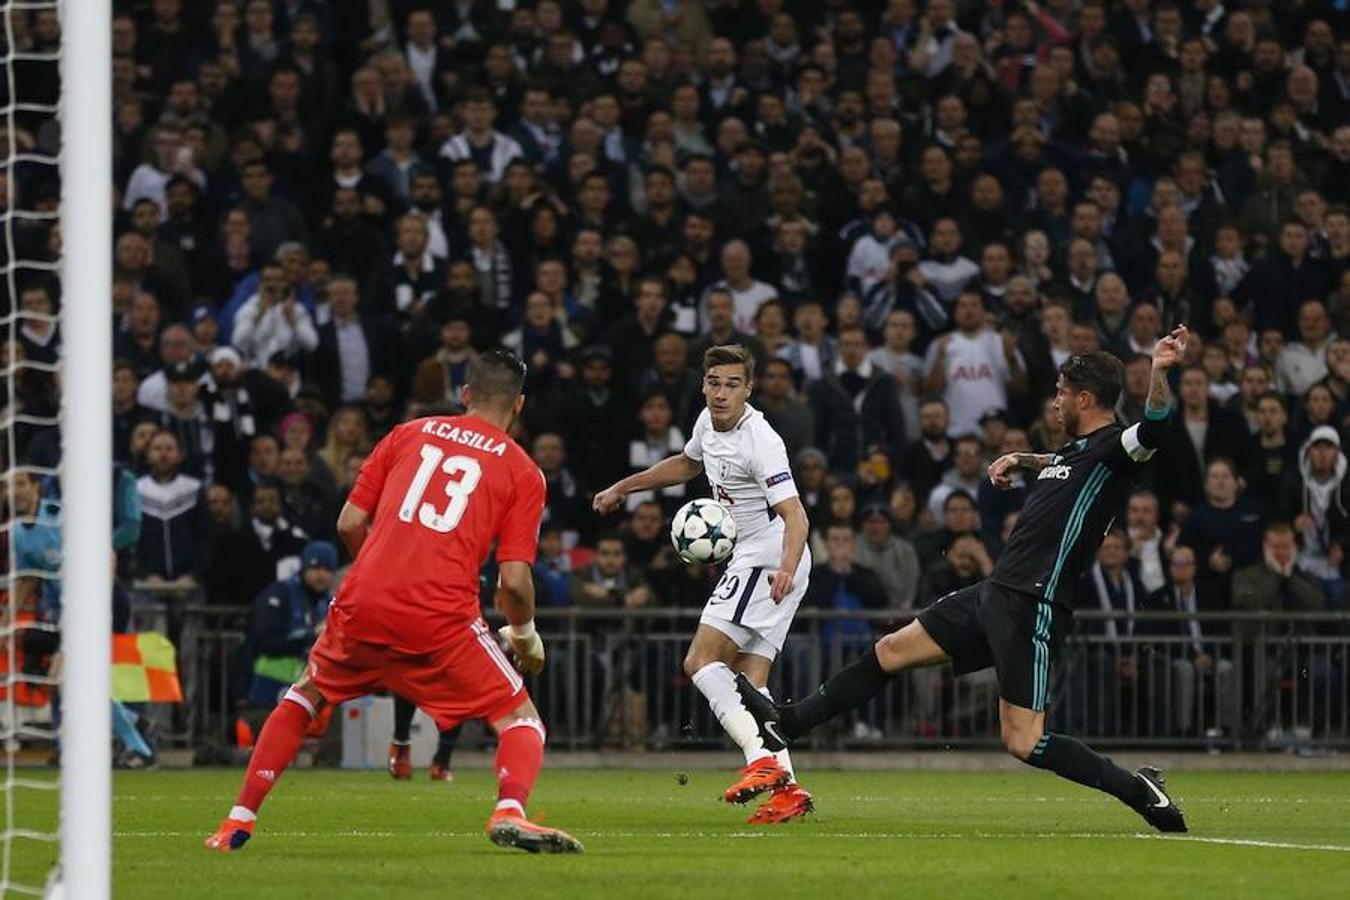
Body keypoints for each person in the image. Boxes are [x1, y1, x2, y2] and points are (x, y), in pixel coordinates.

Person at [736, 328, 1193, 834]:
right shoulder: (1076, 453)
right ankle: (790, 722)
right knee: (891, 650)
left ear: (1085, 397)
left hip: (1034, 606)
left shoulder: (1116, 448)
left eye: (1062, 392)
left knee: (1023, 741)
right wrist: (1024, 458)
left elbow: (1154, 429)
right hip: (996, 593)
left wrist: (1159, 371)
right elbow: (1064, 463)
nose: (1055, 402)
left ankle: (1138, 789)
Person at [205, 350, 582, 854]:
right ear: (518, 405)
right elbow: (513, 581)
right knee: (520, 719)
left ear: (464, 395)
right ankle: (509, 810)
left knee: (305, 694)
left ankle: (237, 821)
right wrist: (525, 636)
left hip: (364, 599)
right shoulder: (523, 471)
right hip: (441, 614)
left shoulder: (407, 433)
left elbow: (347, 523)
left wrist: (386, 573)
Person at [592, 344, 814, 824]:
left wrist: (786, 568)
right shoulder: (705, 423)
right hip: (764, 559)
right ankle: (788, 790)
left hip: (770, 555)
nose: (721, 393)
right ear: (704, 384)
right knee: (751, 683)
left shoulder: (762, 441)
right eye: (714, 383)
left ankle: (761, 765)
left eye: (733, 385)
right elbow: (686, 465)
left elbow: (796, 516)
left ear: (749, 389)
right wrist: (622, 487)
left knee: (699, 660)